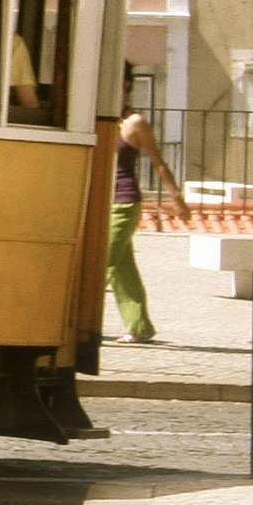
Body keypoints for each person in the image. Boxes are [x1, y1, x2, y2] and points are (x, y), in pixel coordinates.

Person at [106, 81, 177, 344]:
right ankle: (139, 326)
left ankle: (78, 323)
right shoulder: (102, 118)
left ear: (124, 85)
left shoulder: (135, 122)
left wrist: (176, 198)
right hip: (104, 201)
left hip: (124, 203)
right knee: (123, 268)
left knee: (103, 262)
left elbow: (158, 162)